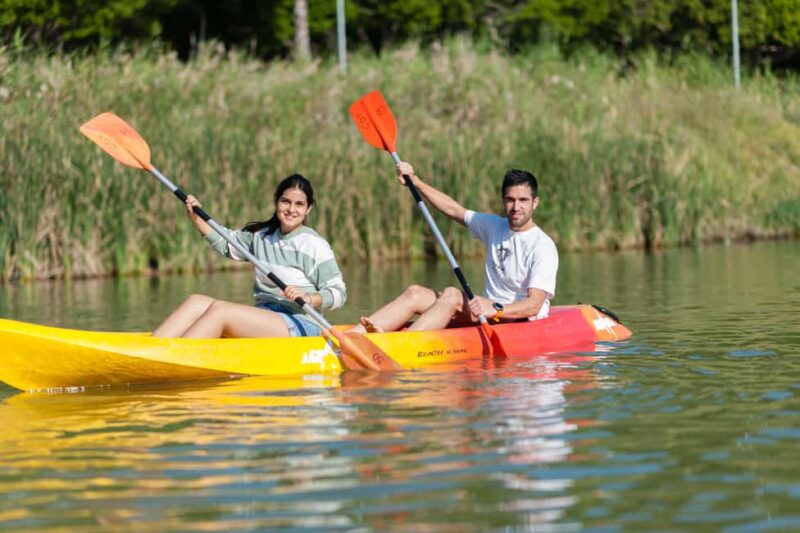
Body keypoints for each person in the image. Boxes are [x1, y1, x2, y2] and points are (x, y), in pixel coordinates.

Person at [350, 162, 557, 334]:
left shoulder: (542, 246)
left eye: (523, 200)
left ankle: (401, 345)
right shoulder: (494, 225)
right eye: (510, 200)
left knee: (452, 295)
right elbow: (453, 209)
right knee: (415, 293)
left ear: (535, 203)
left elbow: (534, 305)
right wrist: (416, 182)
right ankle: (351, 338)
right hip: (485, 313)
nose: (516, 207)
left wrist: (495, 309)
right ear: (503, 201)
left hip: (516, 321)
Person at [152, 174, 346, 339]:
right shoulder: (261, 236)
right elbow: (225, 242)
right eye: (285, 201)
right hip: (265, 315)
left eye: (299, 204)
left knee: (221, 311)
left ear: (308, 208)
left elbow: (338, 294)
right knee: (196, 302)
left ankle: (174, 358)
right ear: (276, 202)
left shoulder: (314, 244)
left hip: (301, 323)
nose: (291, 209)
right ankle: (152, 351)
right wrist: (195, 217)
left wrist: (308, 297)